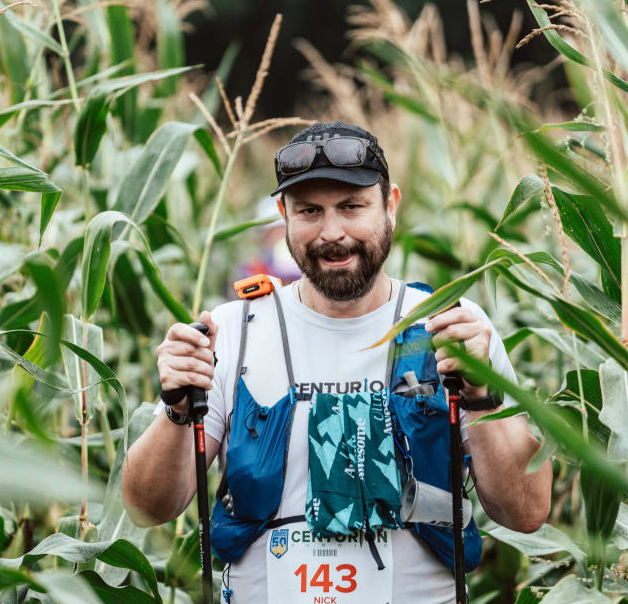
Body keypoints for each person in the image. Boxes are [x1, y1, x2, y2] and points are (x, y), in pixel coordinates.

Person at [122, 121, 552, 603]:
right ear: (284, 215)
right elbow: (145, 508)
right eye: (309, 211)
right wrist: (178, 411)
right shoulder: (232, 331)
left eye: (351, 207)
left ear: (390, 205)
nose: (332, 232)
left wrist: (481, 395)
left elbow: (527, 511)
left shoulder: (451, 326)